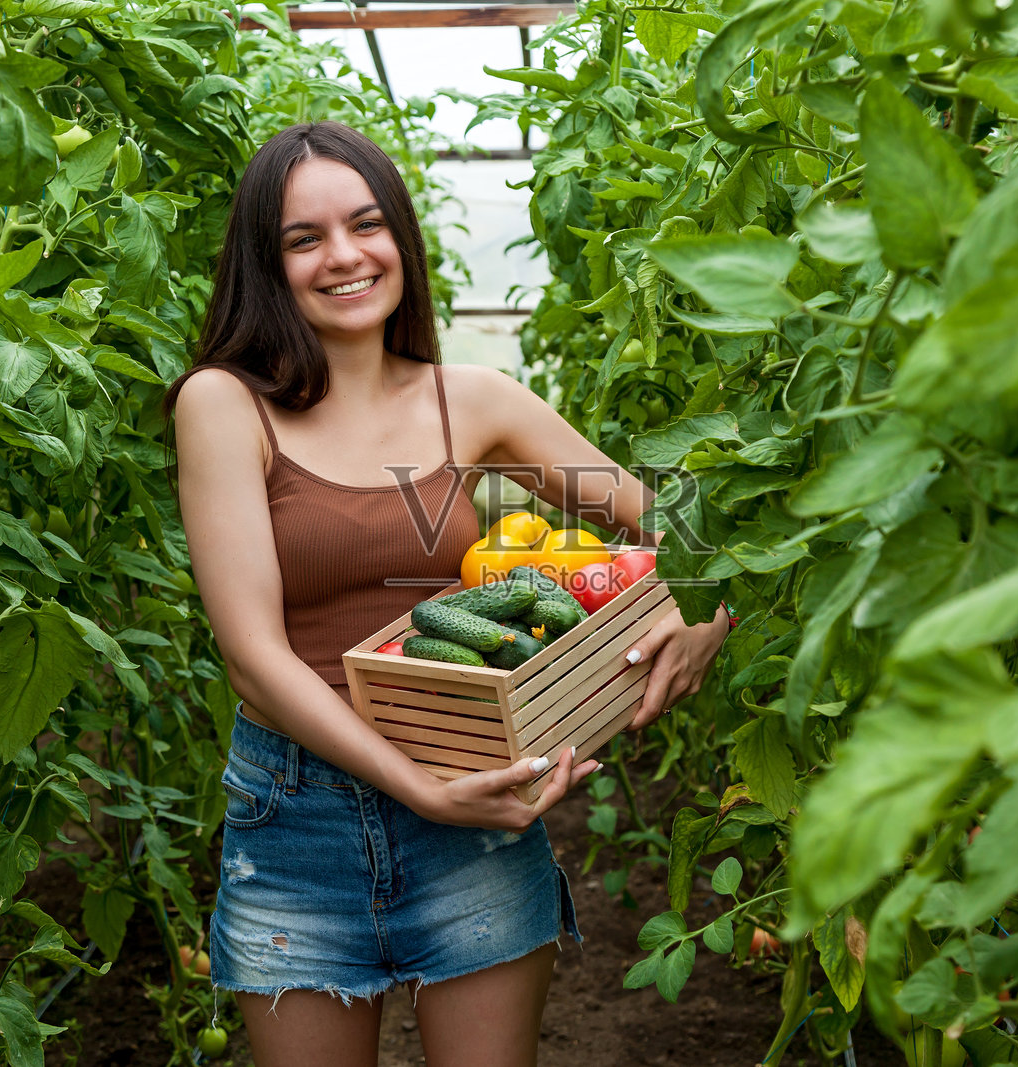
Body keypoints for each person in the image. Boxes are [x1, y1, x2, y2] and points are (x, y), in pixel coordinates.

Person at [164, 121, 731, 1067]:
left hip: (475, 798)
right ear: (267, 264)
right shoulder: (225, 405)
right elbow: (256, 660)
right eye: (304, 239)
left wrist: (712, 616)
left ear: (403, 241)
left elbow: (688, 527)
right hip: (299, 815)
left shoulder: (472, 402)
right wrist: (421, 789)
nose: (343, 256)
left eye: (366, 224)